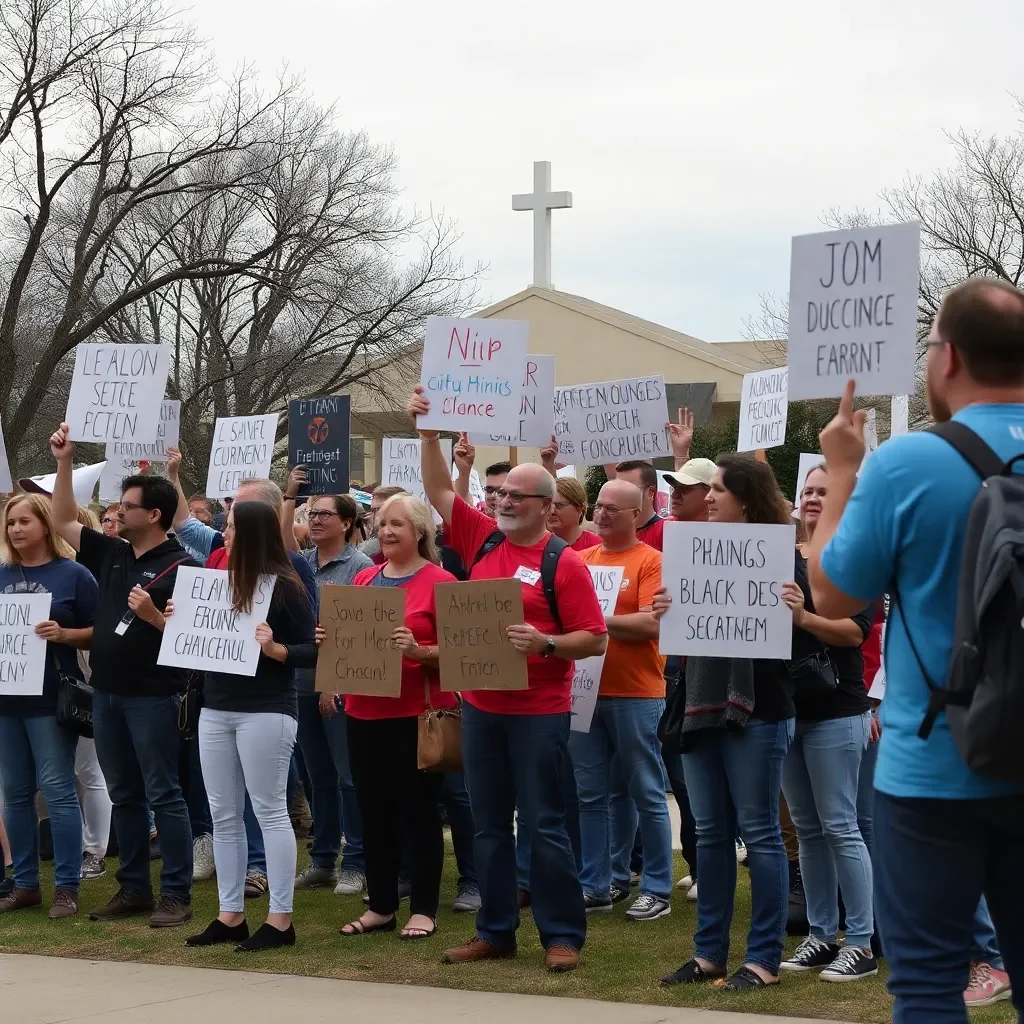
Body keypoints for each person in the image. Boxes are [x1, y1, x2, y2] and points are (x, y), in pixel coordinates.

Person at [806, 278, 1024, 1021]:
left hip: (934, 763)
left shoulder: (905, 464)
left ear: (948, 357)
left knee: (929, 983)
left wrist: (840, 472)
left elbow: (833, 596)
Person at [408, 385, 608, 974]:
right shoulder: (483, 537)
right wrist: (428, 436)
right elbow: (442, 491)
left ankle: (562, 934)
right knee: (489, 825)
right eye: (499, 494)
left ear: (548, 506)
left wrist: (545, 642)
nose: (504, 502)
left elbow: (594, 637)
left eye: (518, 496)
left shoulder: (562, 563)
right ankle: (495, 931)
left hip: (538, 713)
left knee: (545, 826)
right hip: (482, 709)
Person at [655, 455, 800, 991]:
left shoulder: (782, 557)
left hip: (757, 713)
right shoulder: (688, 553)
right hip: (696, 711)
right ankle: (708, 954)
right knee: (711, 834)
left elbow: (797, 639)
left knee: (760, 833)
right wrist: (666, 608)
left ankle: (763, 958)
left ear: (747, 497)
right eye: (708, 489)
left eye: (719, 489)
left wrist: (796, 610)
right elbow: (680, 631)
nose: (709, 497)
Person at [47, 423, 195, 927]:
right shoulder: (111, 553)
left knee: (163, 793)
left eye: (126, 508)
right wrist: (64, 461)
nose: (116, 514)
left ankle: (175, 892)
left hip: (154, 696)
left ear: (153, 514)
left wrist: (155, 618)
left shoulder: (184, 567)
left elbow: (190, 641)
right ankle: (133, 888)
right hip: (107, 694)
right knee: (124, 793)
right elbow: (63, 517)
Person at [166, 449, 317, 895]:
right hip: (216, 706)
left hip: (266, 707)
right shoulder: (214, 574)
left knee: (268, 808)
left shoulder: (287, 579)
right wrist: (173, 622)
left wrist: (276, 649)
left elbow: (312, 649)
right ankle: (228, 910)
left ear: (250, 531)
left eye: (229, 524)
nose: (221, 531)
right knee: (223, 811)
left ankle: (277, 906)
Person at [333, 494, 457, 940]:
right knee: (373, 812)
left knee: (418, 812)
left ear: (419, 532)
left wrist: (419, 651)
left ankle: (423, 908)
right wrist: (333, 639)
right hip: (364, 713)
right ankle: (382, 906)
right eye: (382, 523)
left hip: (414, 717)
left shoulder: (441, 582)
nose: (385, 531)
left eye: (397, 525)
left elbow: (463, 654)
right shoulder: (365, 580)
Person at [778, 464, 877, 982]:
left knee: (840, 825)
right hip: (789, 709)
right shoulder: (780, 554)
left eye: (824, 491)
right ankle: (821, 934)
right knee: (809, 830)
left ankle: (859, 941)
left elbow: (855, 633)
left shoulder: (854, 558)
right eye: (808, 491)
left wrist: (804, 618)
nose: (813, 498)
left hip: (838, 710)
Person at [571, 479, 672, 920]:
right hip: (585, 691)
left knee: (645, 791)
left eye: (615, 507)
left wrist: (593, 621)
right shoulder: (579, 560)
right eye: (599, 505)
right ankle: (598, 882)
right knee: (592, 794)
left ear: (637, 514)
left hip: (636, 691)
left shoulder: (653, 562)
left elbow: (653, 625)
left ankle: (657, 886)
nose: (603, 513)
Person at [0, 493, 96, 918]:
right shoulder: (1, 574)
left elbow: (100, 632)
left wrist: (65, 634)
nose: (16, 529)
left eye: (24, 521)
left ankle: (66, 886)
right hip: (6, 701)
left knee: (57, 790)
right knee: (15, 795)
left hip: (48, 699)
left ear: (45, 525)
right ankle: (24, 884)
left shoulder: (73, 574)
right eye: (10, 523)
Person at [281, 472, 372, 895]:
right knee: (317, 776)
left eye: (324, 514)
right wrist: (289, 496)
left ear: (347, 523)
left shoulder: (362, 569)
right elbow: (283, 543)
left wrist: (335, 686)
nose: (314, 520)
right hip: (300, 683)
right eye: (310, 513)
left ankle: (356, 860)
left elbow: (362, 637)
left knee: (349, 775)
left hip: (341, 689)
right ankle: (322, 860)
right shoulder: (299, 564)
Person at [547, 477, 600, 552]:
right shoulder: (537, 544)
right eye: (548, 505)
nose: (551, 511)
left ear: (579, 509)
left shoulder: (597, 546)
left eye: (559, 506)